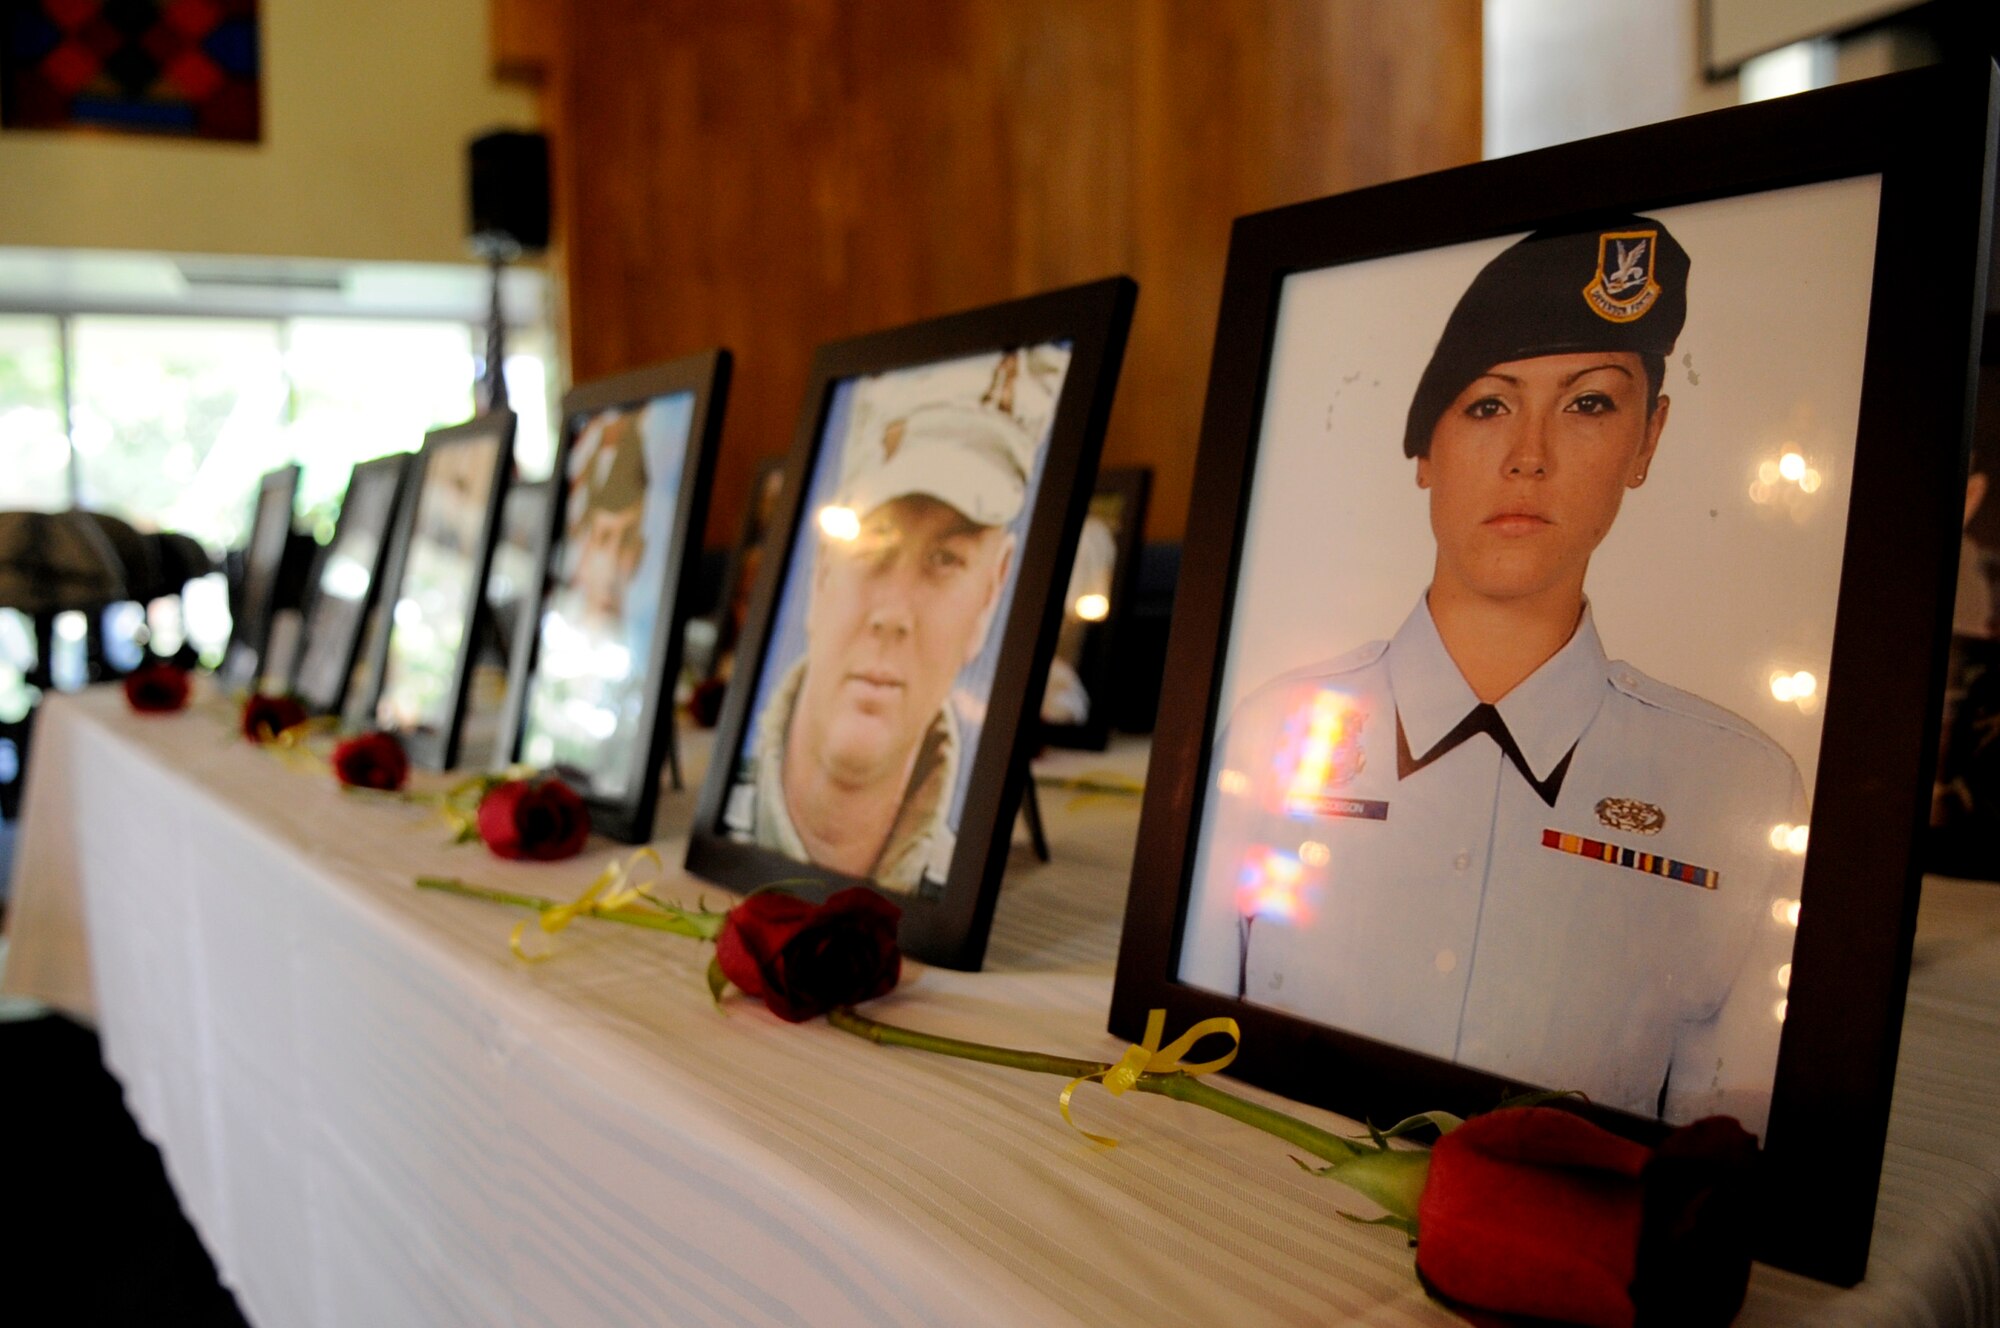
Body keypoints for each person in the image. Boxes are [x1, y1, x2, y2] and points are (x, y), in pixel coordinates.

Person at [1179, 217, 1805, 1137]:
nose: (1530, 455)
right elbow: (1190, 1061)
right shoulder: (1282, 731)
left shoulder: (1736, 791)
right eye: (1487, 405)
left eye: (1589, 403)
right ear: (1425, 450)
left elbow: (1726, 1157)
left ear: (1648, 439)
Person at [722, 398, 1034, 895]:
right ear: (823, 571)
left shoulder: (951, 886)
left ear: (990, 595)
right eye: (873, 543)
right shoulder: (722, 817)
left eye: (944, 559)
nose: (893, 615)